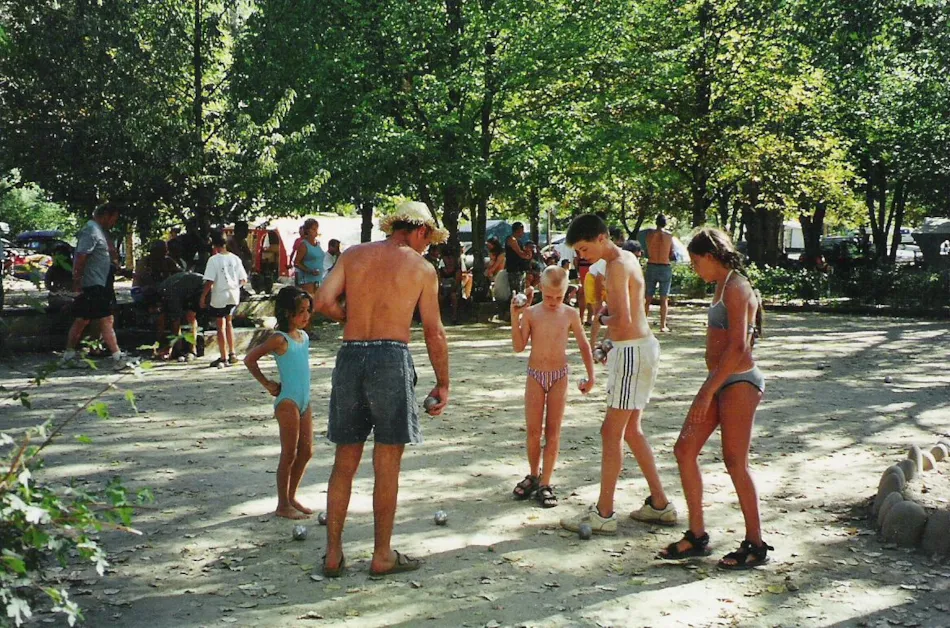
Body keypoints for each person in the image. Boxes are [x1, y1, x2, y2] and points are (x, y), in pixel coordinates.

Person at [314, 200, 449, 578]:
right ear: (420, 230)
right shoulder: (422, 268)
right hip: (391, 356)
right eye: (428, 239)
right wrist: (443, 382)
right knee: (387, 464)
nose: (428, 247)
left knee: (345, 461)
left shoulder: (355, 255)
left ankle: (333, 555)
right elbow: (434, 331)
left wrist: (351, 316)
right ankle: (381, 554)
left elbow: (323, 301)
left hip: (350, 355)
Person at [657, 228, 771, 569]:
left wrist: (707, 391)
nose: (695, 269)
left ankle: (755, 542)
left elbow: (739, 347)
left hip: (739, 383)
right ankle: (697, 535)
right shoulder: (722, 286)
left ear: (710, 256)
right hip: (719, 380)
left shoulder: (737, 287)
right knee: (684, 449)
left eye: (695, 262)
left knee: (735, 461)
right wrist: (709, 387)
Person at [559, 214, 676, 535]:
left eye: (583, 249)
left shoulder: (615, 266)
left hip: (632, 353)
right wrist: (607, 332)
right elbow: (627, 315)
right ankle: (661, 504)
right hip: (640, 348)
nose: (581, 256)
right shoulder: (625, 258)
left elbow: (623, 317)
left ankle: (604, 514)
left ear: (601, 238)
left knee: (611, 432)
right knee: (632, 431)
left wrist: (605, 324)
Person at [510, 266, 595, 508]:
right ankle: (534, 474)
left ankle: (546, 482)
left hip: (559, 376)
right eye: (549, 296)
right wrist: (514, 315)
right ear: (541, 289)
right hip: (535, 375)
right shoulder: (532, 313)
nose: (553, 301)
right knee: (533, 431)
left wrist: (591, 376)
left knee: (553, 432)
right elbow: (518, 346)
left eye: (559, 297)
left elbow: (583, 345)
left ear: (567, 292)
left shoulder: (570, 314)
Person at [243, 286, 315, 520]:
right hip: (288, 402)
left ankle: (291, 496)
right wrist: (267, 383)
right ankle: (282, 504)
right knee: (289, 453)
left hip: (305, 399)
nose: (305, 316)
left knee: (306, 451)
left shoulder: (303, 337)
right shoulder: (278, 339)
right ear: (286, 313)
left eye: (307, 310)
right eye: (300, 311)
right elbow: (250, 358)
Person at [61, 205, 132, 370]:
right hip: (94, 284)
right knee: (106, 319)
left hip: (97, 282)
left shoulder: (97, 231)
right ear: (106, 215)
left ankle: (68, 357)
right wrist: (77, 281)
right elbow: (80, 257)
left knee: (82, 320)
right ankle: (118, 357)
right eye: (114, 218)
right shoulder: (91, 231)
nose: (114, 222)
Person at [200, 230, 248, 368]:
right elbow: (243, 279)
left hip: (220, 295)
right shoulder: (235, 258)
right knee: (229, 323)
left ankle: (223, 356)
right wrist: (234, 286)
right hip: (233, 294)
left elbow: (209, 281)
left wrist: (203, 297)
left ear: (213, 244)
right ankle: (233, 353)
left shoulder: (213, 260)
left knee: (220, 326)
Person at [156, 271, 204, 361]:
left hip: (195, 288)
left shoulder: (169, 294)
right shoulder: (167, 292)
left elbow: (175, 322)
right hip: (188, 287)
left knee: (189, 317)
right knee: (182, 318)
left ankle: (190, 350)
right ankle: (179, 350)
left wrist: (170, 347)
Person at [645, 214, 675, 332]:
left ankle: (643, 323)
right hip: (665, 266)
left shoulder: (650, 236)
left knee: (647, 297)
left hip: (652, 265)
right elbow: (671, 253)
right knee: (664, 298)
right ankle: (663, 325)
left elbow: (647, 249)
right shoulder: (669, 237)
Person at [293, 219, 325, 307]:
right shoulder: (303, 244)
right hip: (307, 280)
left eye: (316, 229)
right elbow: (296, 263)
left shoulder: (318, 244)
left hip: (318, 279)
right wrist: (309, 271)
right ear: (307, 230)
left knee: (316, 304)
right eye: (313, 229)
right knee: (308, 304)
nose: (316, 232)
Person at [505, 222, 533, 298]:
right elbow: (520, 253)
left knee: (521, 290)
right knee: (516, 292)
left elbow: (524, 251)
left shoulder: (519, 241)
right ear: (518, 230)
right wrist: (527, 256)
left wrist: (528, 251)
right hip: (514, 269)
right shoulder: (511, 239)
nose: (523, 233)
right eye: (522, 231)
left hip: (520, 269)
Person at [439, 243, 464, 324]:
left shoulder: (457, 271)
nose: (449, 260)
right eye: (447, 258)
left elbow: (456, 284)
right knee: (439, 296)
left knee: (453, 296)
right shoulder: (440, 271)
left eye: (451, 258)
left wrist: (451, 290)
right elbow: (438, 282)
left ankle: (454, 317)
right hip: (443, 289)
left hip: (453, 290)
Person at [486, 237, 509, 303]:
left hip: (499, 272)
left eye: (489, 245)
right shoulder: (491, 253)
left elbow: (496, 265)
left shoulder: (501, 254)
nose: (488, 247)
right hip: (492, 271)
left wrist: (490, 271)